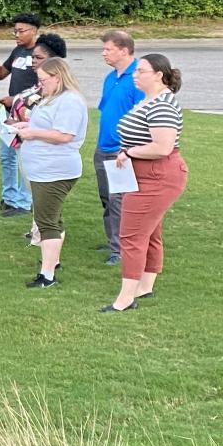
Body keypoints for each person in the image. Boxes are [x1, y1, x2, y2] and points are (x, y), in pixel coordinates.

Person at [103, 54, 188, 313]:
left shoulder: (162, 105)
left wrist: (129, 152)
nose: (135, 75)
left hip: (157, 175)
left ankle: (125, 299)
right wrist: (127, 150)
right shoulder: (148, 100)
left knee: (131, 236)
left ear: (158, 75)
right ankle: (145, 286)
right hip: (142, 173)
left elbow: (162, 147)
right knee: (149, 232)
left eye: (141, 71)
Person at [12, 57, 88, 288]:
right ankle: (52, 262)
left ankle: (47, 276)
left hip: (54, 171)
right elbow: (48, 126)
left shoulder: (70, 101)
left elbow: (65, 135)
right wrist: (27, 127)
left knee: (46, 222)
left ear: (57, 77)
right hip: (43, 168)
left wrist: (32, 133)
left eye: (43, 80)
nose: (40, 84)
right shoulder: (53, 98)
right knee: (52, 218)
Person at [0, 14, 41, 217]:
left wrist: (15, 100)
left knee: (24, 159)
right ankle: (9, 199)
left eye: (20, 30)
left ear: (34, 30)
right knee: (6, 157)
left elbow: (42, 86)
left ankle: (24, 203)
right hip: (8, 114)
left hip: (27, 115)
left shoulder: (41, 54)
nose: (16, 34)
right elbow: (0, 74)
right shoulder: (18, 51)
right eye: (14, 31)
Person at [92, 31, 141, 268]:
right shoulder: (111, 77)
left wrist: (129, 148)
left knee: (118, 200)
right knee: (106, 198)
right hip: (103, 146)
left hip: (122, 150)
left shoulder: (139, 77)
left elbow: (143, 115)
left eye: (108, 49)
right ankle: (112, 238)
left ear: (124, 50)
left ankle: (120, 249)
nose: (104, 53)